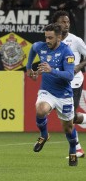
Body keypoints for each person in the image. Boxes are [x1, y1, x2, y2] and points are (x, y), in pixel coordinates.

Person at [26, 23, 78, 166]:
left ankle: (73, 149)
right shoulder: (40, 46)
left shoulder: (67, 52)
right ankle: (44, 135)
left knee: (68, 128)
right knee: (40, 109)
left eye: (50, 38)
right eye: (46, 37)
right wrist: (29, 67)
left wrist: (51, 70)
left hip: (64, 95)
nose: (47, 41)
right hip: (47, 91)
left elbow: (69, 76)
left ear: (59, 37)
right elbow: (32, 48)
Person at [52, 10, 86, 158]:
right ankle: (78, 148)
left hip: (74, 82)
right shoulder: (52, 40)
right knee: (64, 116)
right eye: (63, 22)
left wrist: (79, 66)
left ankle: (77, 149)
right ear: (56, 24)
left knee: (68, 116)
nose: (66, 24)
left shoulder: (76, 40)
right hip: (59, 82)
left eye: (68, 22)